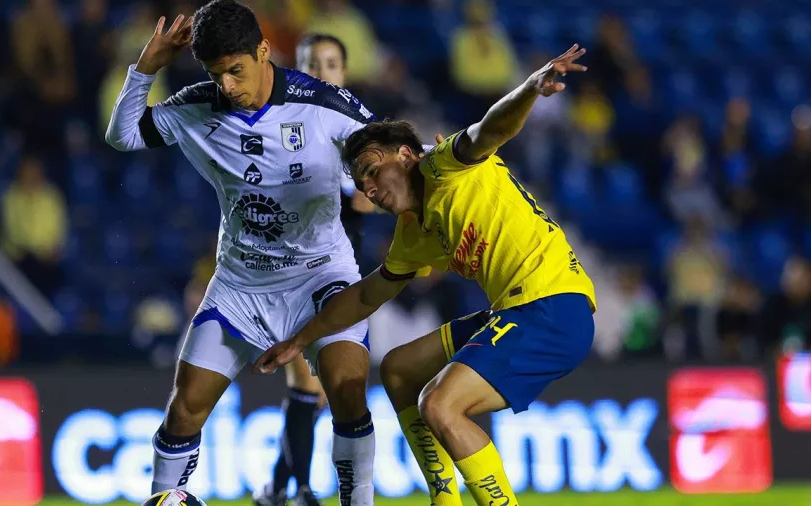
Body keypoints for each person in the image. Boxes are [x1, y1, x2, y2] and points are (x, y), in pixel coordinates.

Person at [255, 45, 595, 506]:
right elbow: (365, 296)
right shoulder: (412, 234)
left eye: (374, 170)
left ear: (407, 155)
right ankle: (444, 497)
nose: (369, 189)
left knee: (440, 404)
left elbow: (491, 127)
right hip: (517, 309)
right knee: (399, 369)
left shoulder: (445, 165)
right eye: (361, 183)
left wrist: (531, 88)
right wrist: (299, 340)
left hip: (552, 304)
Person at [105, 2, 378, 504]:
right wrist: (145, 69)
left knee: (346, 390)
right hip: (240, 287)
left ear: (263, 51)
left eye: (236, 70)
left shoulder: (321, 103)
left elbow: (386, 154)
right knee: (184, 410)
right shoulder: (198, 106)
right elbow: (122, 135)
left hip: (320, 278)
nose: (228, 86)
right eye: (217, 74)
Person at [254, 33, 373, 506]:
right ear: (295, 72)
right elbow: (358, 195)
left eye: (331, 64)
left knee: (320, 395)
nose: (323, 73)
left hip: (343, 275)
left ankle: (277, 489)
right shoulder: (288, 132)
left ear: (344, 74)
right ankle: (301, 492)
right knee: (307, 386)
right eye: (312, 64)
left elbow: (369, 194)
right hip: (294, 274)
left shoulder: (354, 133)